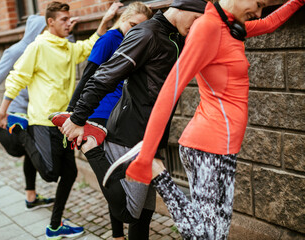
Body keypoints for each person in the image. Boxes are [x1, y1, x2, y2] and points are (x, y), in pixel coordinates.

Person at [119, 0, 305, 239]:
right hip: (208, 148)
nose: (259, 12)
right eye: (258, 3)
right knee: (207, 236)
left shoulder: (231, 27)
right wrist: (146, 157)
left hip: (222, 148)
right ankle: (159, 174)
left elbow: (269, 23)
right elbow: (170, 90)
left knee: (217, 232)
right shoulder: (208, 28)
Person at [58, 0, 207, 238]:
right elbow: (101, 77)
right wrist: (77, 118)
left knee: (143, 216)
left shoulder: (177, 36)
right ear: (184, 6)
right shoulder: (146, 33)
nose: (200, 25)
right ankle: (91, 148)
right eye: (198, 18)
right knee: (129, 212)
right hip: (129, 135)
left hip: (153, 135)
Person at [0, 1, 121, 239]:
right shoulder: (38, 46)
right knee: (51, 173)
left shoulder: (65, 47)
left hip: (64, 122)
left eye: (68, 18)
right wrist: (3, 110)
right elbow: (17, 76)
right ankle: (20, 130)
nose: (69, 22)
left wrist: (105, 20)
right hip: (42, 119)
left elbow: (88, 47)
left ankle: (54, 226)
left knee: (70, 173)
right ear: (50, 22)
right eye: (63, 19)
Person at [0, 14, 76, 210]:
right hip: (18, 111)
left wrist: (70, 31)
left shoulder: (51, 47)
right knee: (16, 148)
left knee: (31, 153)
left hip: (37, 113)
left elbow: (68, 54)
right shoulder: (19, 51)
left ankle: (31, 197)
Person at [65, 2, 152, 239]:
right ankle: (117, 235)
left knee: (118, 181)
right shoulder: (109, 39)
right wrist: (73, 115)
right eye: (132, 24)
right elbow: (88, 76)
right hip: (103, 114)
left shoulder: (134, 40)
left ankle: (117, 235)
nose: (134, 30)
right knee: (114, 180)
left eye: (139, 28)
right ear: (123, 18)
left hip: (120, 112)